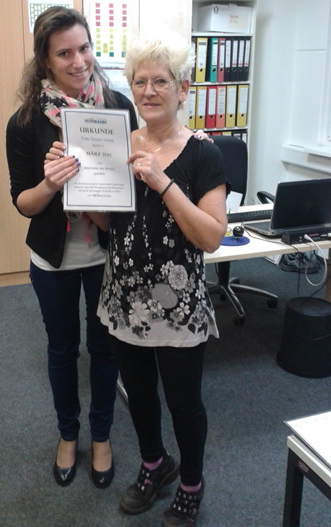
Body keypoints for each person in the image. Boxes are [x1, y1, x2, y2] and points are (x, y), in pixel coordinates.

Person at [96, 31, 228, 526]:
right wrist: (81, 193)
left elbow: (211, 236)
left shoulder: (203, 153)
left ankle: (191, 481)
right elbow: (112, 224)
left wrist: (162, 181)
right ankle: (155, 464)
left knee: (183, 402)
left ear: (183, 89)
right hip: (124, 297)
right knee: (138, 392)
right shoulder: (117, 144)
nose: (148, 91)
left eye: (160, 81)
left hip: (177, 305)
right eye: (139, 81)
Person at [5, 6, 138, 489]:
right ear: (45, 60)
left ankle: (101, 436)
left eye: (84, 48)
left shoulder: (118, 107)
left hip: (106, 252)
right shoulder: (25, 122)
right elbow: (22, 202)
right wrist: (50, 183)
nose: (79, 61)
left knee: (104, 348)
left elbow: (135, 182)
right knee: (62, 349)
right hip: (53, 256)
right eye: (64, 53)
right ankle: (68, 434)